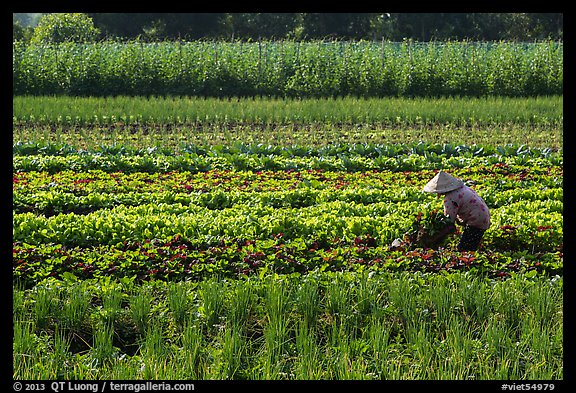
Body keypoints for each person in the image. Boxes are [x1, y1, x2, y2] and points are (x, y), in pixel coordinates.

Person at [423, 171, 490, 251]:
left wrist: (436, 237)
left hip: (476, 220)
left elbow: (448, 221)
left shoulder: (450, 199)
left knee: (464, 249)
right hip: (483, 216)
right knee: (470, 245)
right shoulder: (463, 188)